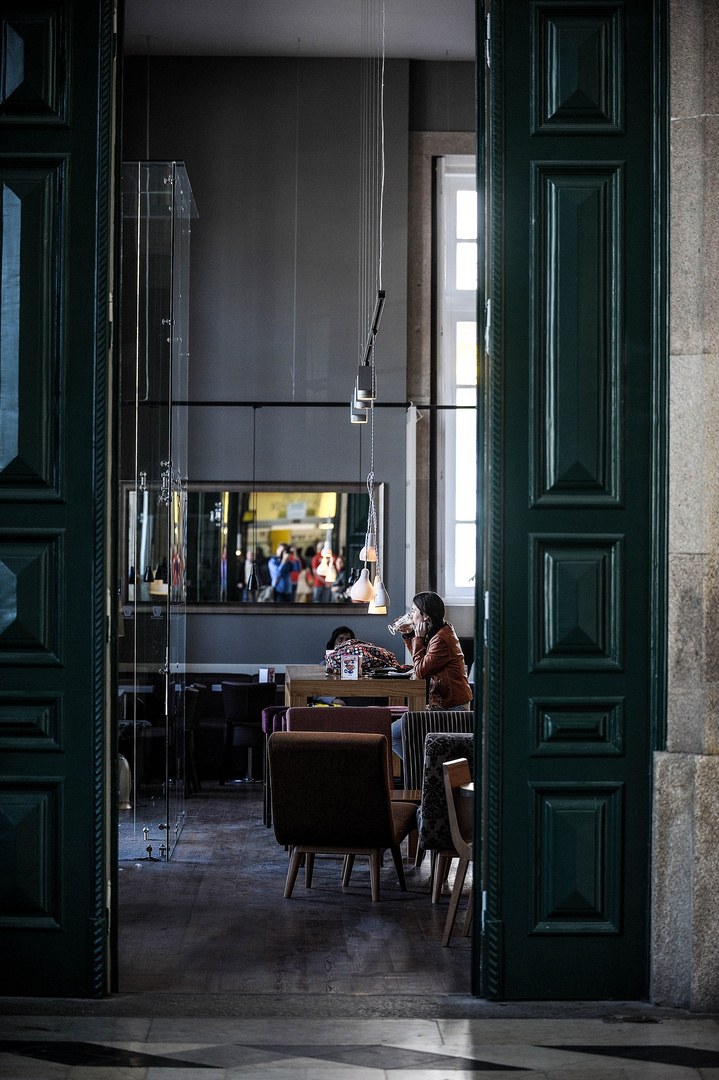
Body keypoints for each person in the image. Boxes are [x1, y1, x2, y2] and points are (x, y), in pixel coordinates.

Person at [391, 591, 472, 760]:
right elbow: (422, 663)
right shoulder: (440, 632)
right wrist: (409, 636)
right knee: (400, 733)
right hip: (444, 705)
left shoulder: (441, 640)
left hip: (451, 708)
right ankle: (426, 772)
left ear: (426, 616)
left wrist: (418, 638)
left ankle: (424, 773)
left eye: (414, 611)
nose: (411, 615)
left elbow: (420, 671)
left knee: (393, 734)